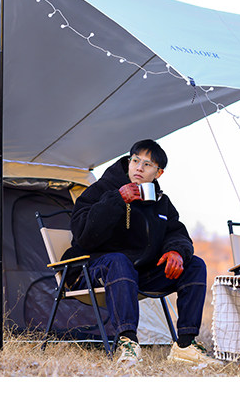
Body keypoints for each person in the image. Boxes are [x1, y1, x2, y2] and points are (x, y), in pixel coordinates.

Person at [63, 138, 222, 369]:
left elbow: (176, 233)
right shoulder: (101, 190)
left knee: (194, 265)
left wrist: (176, 251)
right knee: (119, 260)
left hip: (137, 273)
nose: (139, 168)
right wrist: (117, 200)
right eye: (135, 161)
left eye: (147, 164)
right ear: (128, 162)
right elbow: (83, 235)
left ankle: (185, 345)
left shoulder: (160, 201)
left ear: (158, 173)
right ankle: (128, 343)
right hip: (92, 269)